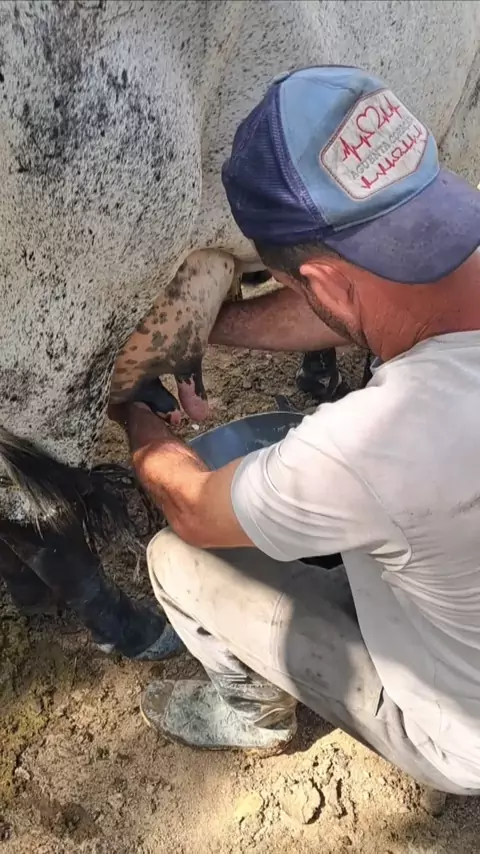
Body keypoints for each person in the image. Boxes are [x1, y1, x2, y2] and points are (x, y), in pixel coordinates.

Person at [112, 66, 480, 796]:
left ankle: (254, 715)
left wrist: (134, 410)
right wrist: (206, 328)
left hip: (462, 733)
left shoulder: (370, 447)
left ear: (323, 283)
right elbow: (376, 300)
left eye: (288, 285)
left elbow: (191, 506)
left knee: (173, 557)